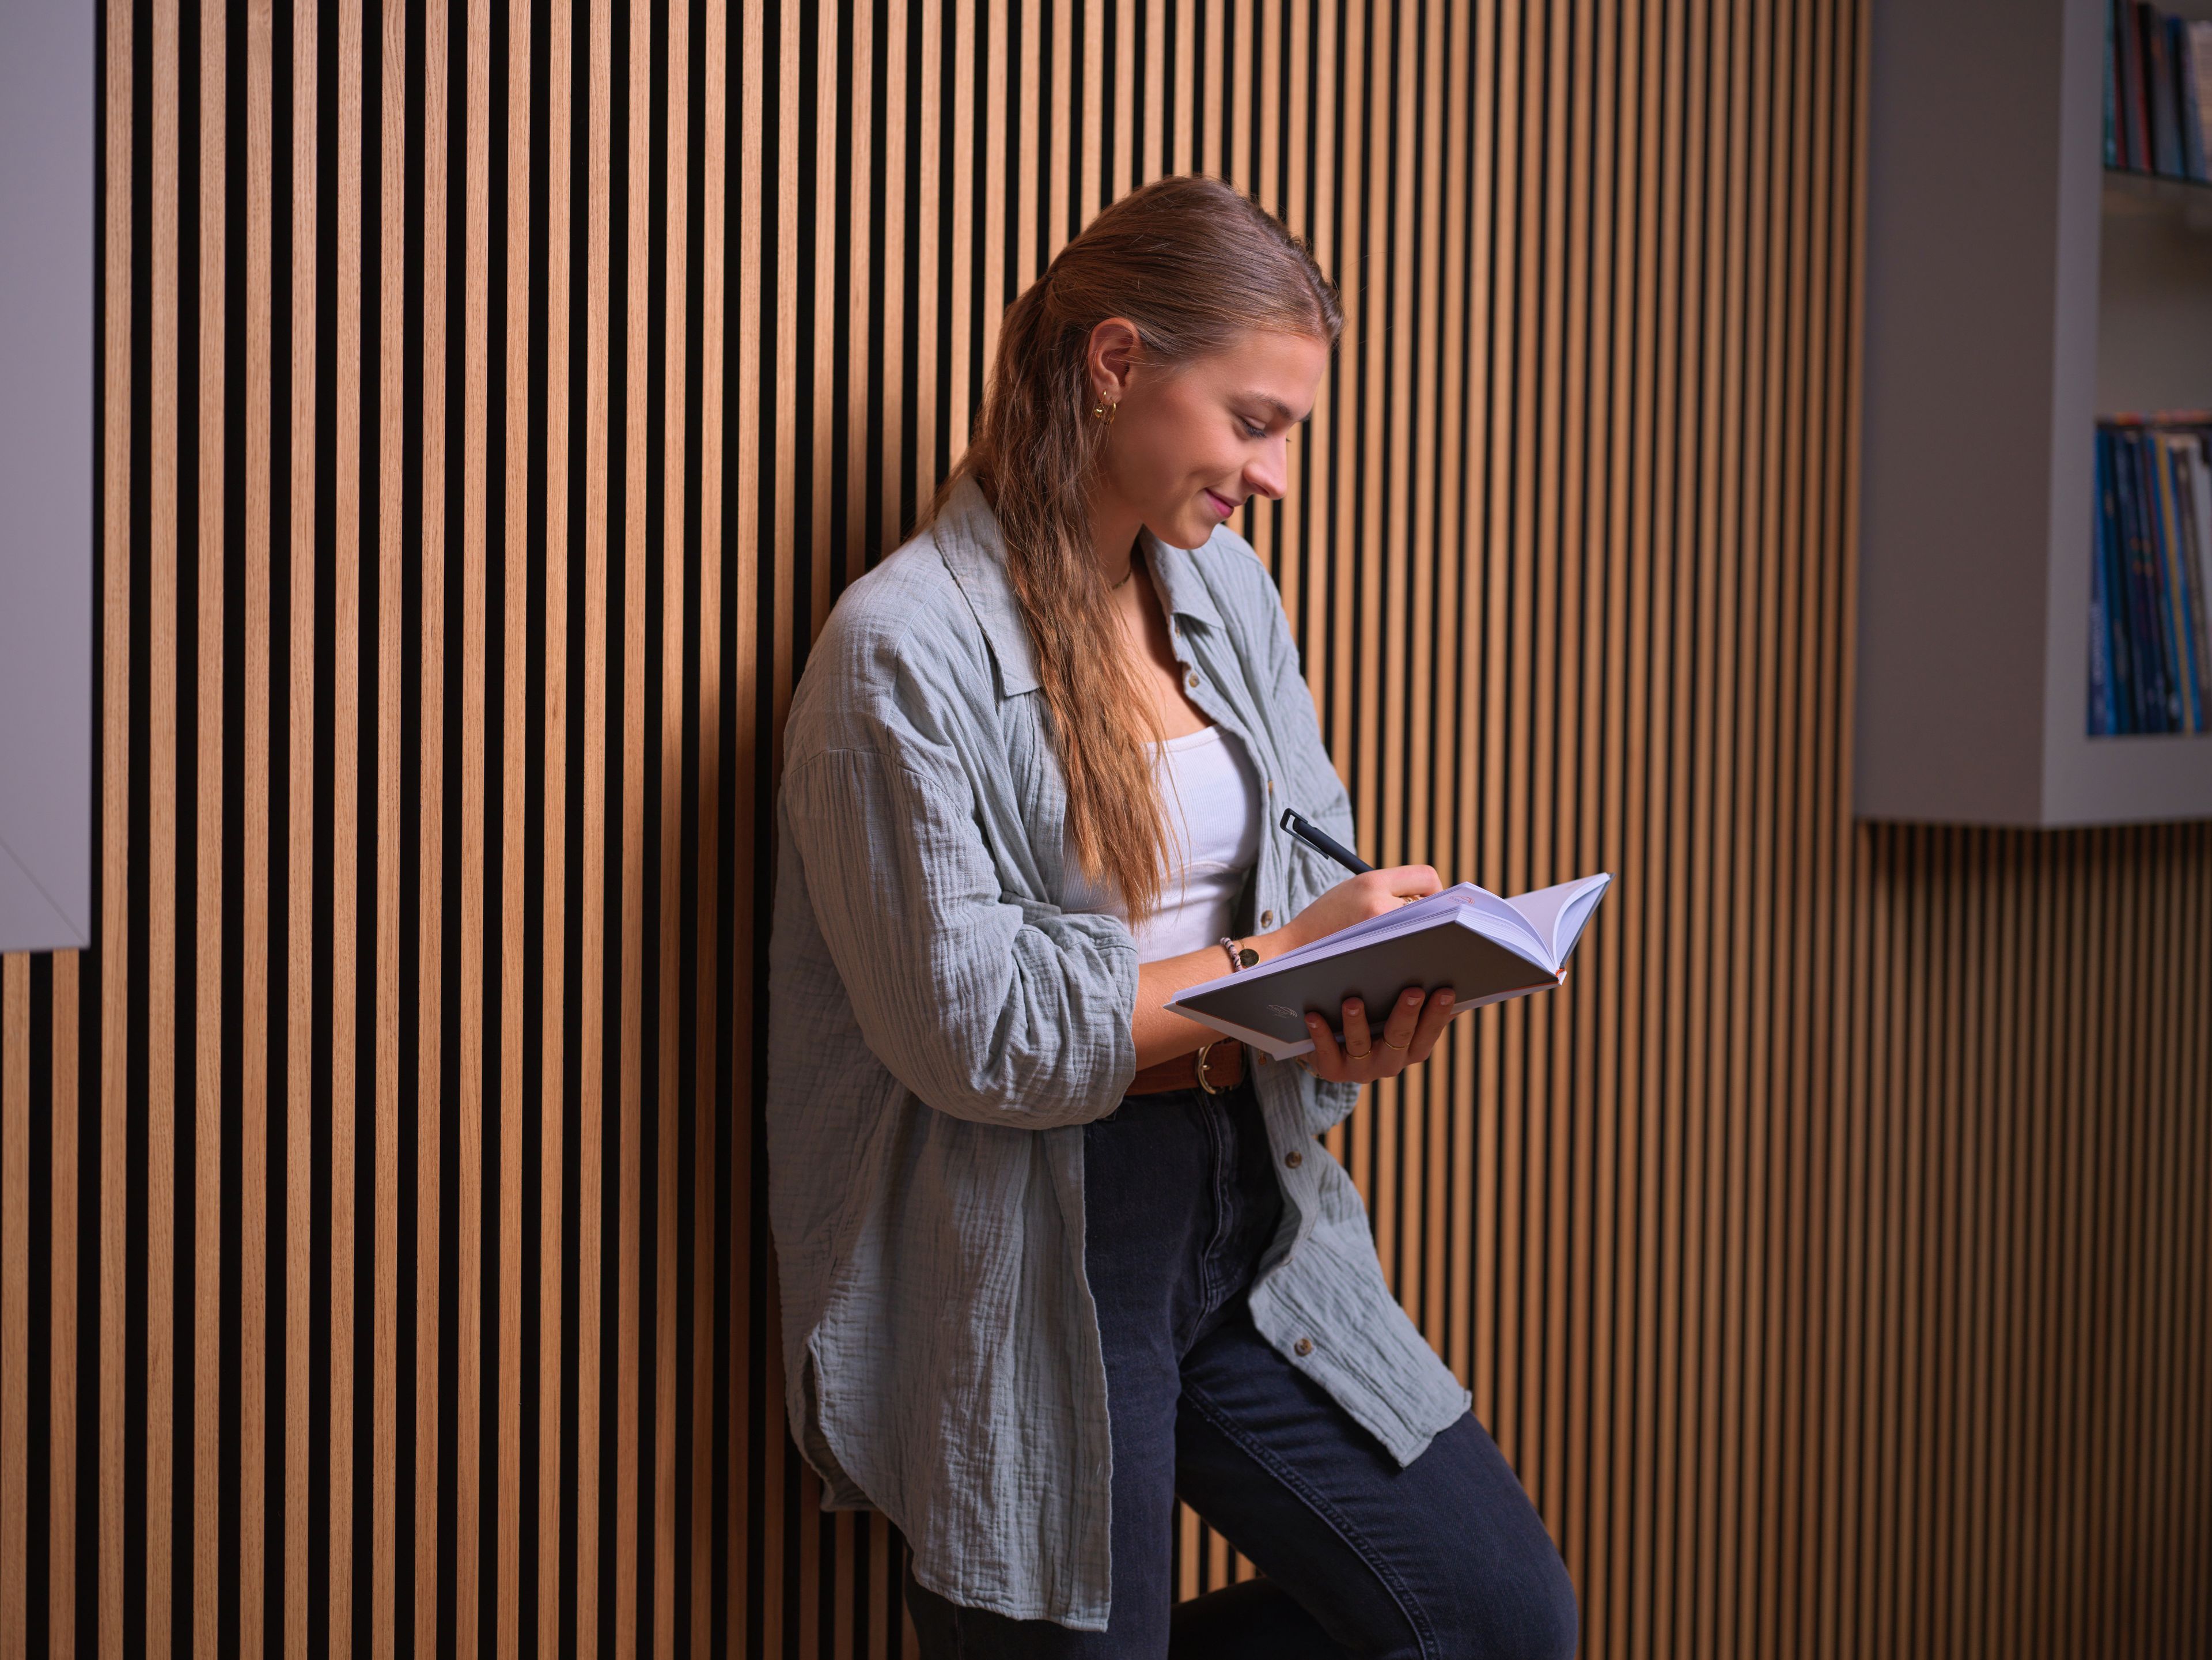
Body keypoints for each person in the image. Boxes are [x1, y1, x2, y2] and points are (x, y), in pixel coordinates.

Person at [765, 175, 1579, 1659]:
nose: (1273, 475)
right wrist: (1274, 959)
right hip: (1040, 1241)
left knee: (1497, 1619)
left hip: (1251, 1198)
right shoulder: (900, 651)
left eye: (1289, 434)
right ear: (1119, 361)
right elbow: (976, 1035)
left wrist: (1351, 1006)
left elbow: (1302, 864)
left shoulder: (1227, 598)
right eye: (1254, 422)